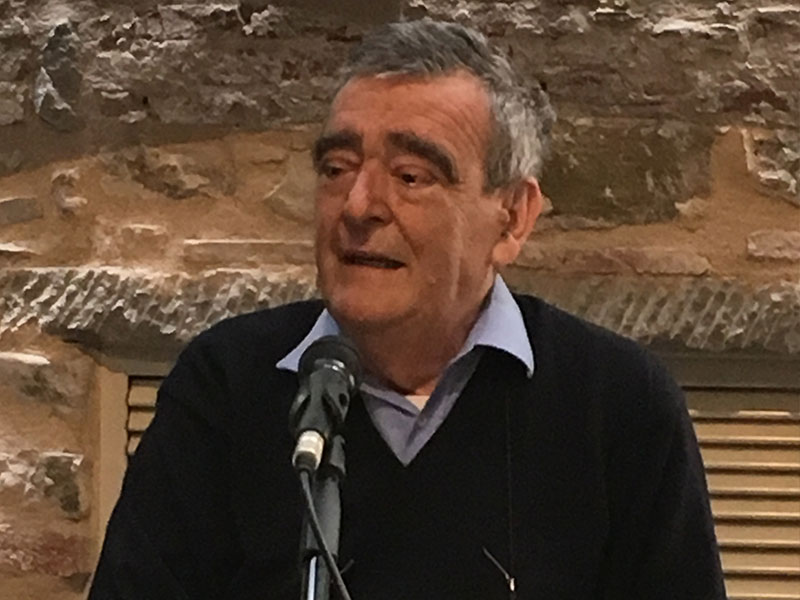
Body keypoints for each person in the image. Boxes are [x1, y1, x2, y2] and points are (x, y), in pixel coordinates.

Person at [88, 19, 726, 600]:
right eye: (337, 168)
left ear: (512, 217)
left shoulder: (618, 403)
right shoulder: (225, 385)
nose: (359, 206)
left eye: (411, 176)